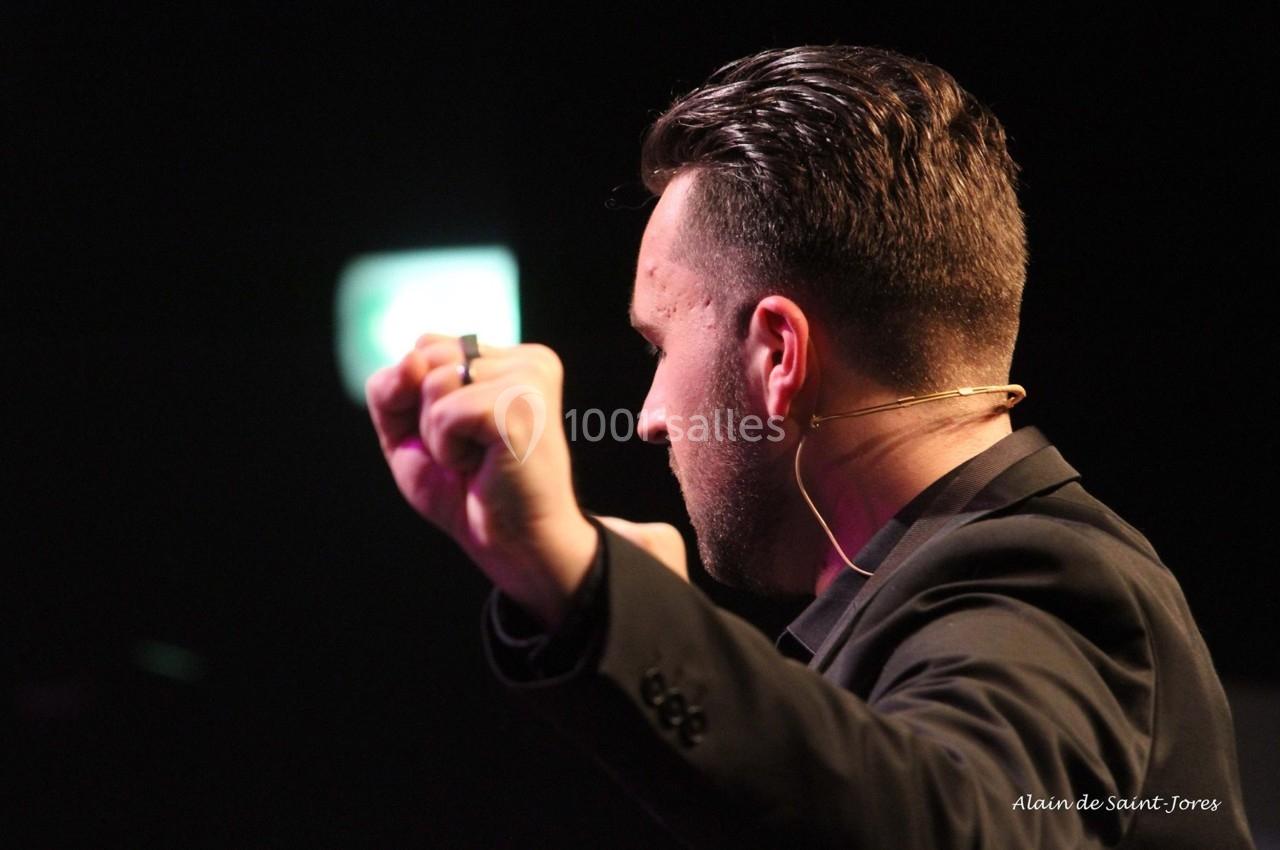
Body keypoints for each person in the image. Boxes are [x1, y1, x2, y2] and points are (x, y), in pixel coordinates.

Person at [365, 45, 1255, 848]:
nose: (648, 417)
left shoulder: (1039, 581)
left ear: (779, 355)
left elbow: (961, 825)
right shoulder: (935, 592)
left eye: (659, 348)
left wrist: (590, 586)